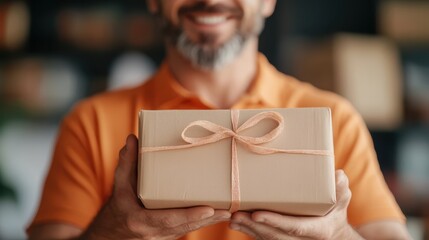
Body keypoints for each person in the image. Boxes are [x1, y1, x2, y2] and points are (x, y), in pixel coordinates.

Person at [28, 0, 411, 239]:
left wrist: (339, 235)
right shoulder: (90, 123)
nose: (210, 0)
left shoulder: (336, 121)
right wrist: (115, 231)